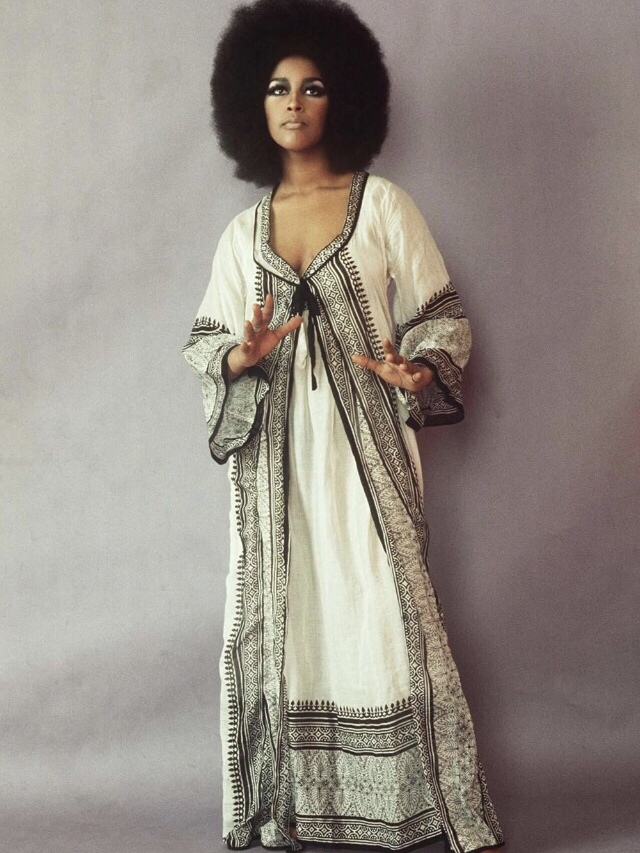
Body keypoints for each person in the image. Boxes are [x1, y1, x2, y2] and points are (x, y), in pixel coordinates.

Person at [183, 1, 504, 851]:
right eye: (276, 88)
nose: (293, 102)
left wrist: (417, 368)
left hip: (367, 456)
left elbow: (440, 316)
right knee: (283, 613)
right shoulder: (241, 235)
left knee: (380, 605)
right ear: (250, 105)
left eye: (313, 86)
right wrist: (241, 355)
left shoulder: (384, 206)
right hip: (274, 463)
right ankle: (286, 808)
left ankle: (417, 807)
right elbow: (205, 343)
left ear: (344, 99)